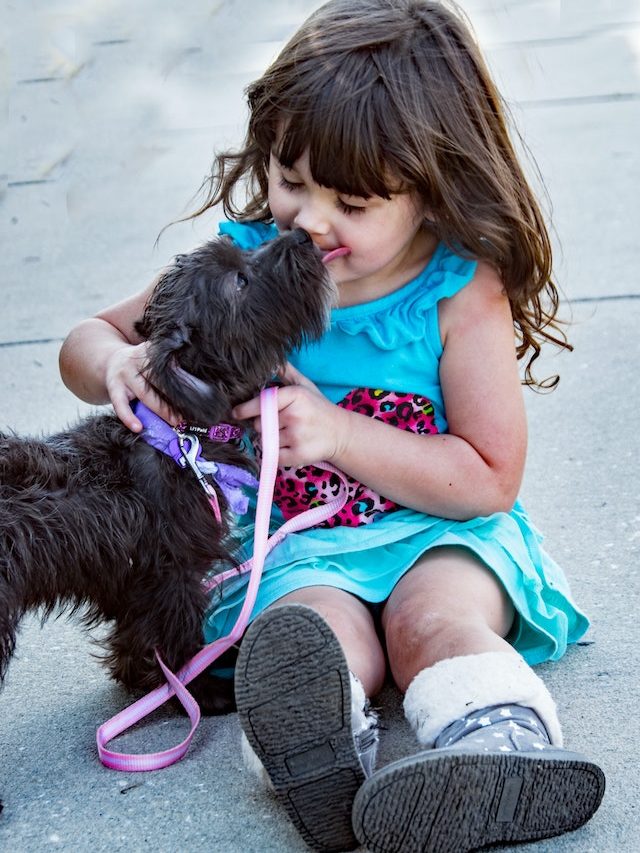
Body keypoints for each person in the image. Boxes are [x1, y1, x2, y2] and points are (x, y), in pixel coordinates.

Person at [59, 1, 605, 851]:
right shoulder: (245, 257)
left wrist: (343, 434)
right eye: (290, 178)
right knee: (314, 631)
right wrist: (113, 365)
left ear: (431, 190)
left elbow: (489, 474)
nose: (309, 219)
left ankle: (499, 751)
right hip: (298, 543)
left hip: (433, 528)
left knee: (433, 622)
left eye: (349, 200)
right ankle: (315, 756)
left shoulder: (460, 289)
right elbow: (88, 337)